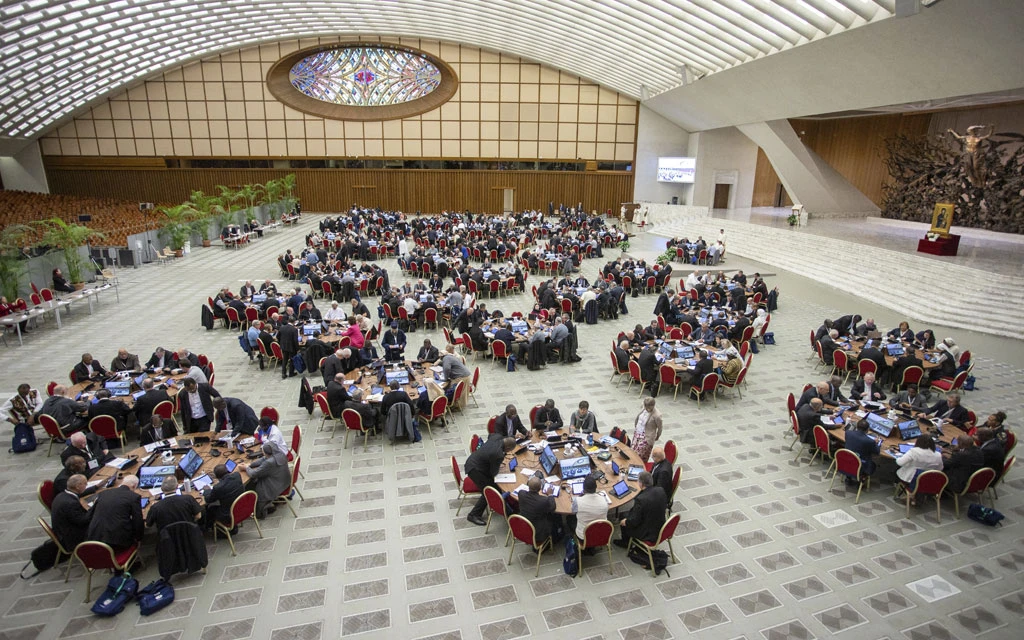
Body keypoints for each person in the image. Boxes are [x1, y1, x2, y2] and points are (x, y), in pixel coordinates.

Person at [464, 436, 517, 526]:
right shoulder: (498, 454)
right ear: (507, 448)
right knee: (490, 491)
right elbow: (493, 473)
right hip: (475, 470)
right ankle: (474, 515)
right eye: (509, 451)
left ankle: (505, 506)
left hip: (473, 461)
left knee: (494, 488)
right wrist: (498, 463)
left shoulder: (496, 438)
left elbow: (491, 435)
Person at [86, 475, 144, 551]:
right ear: (134, 486)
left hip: (94, 538)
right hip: (117, 542)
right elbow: (137, 520)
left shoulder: (103, 493)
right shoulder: (134, 497)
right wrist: (139, 538)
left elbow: (91, 513)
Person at [615, 471, 667, 548]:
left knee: (623, 516)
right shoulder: (661, 490)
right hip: (660, 525)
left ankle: (625, 542)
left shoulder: (641, 499)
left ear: (641, 484)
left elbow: (634, 521)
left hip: (647, 532)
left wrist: (625, 521)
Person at [241, 443, 291, 517]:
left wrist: (246, 468)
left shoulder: (269, 463)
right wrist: (250, 465)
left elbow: (253, 474)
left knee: (251, 484)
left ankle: (260, 511)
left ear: (267, 453)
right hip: (283, 482)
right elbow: (263, 459)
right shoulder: (280, 454)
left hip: (273, 487)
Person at [51, 474, 93, 552]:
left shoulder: (63, 494)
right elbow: (83, 520)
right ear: (77, 486)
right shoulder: (71, 503)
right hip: (72, 538)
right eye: (85, 484)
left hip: (64, 530)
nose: (86, 485)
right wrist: (93, 508)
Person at [895, 435, 943, 501]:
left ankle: (911, 495)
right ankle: (916, 496)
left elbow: (899, 462)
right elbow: (940, 469)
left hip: (910, 479)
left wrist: (898, 455)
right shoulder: (938, 455)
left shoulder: (914, 451)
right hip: (928, 482)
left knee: (898, 468)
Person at [202, 464, 246, 530]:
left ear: (217, 476)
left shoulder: (218, 487)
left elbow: (208, 499)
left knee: (210, 508)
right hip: (241, 507)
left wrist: (207, 490)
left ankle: (208, 527)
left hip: (227, 514)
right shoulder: (237, 475)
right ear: (227, 470)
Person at [571, 474, 609, 549]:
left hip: (583, 538)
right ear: (596, 487)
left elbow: (573, 511)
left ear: (583, 488)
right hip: (601, 536)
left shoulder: (578, 501)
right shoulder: (604, 500)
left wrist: (580, 496)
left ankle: (575, 545)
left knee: (570, 519)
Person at [517, 475, 560, 542]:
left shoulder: (521, 494)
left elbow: (525, 491)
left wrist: (531, 484)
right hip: (538, 531)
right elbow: (553, 507)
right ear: (540, 488)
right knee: (556, 516)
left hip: (524, 525)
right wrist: (550, 494)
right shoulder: (543, 501)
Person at [441, 345, 473, 409]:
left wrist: (446, 378)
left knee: (451, 387)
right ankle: (456, 404)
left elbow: (447, 368)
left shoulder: (446, 358)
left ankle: (455, 405)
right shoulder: (450, 357)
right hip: (465, 375)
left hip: (461, 377)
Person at [631, 397, 663, 462]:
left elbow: (660, 427)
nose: (646, 408)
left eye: (648, 407)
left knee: (639, 455)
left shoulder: (657, 415)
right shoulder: (644, 408)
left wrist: (657, 436)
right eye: (645, 406)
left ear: (653, 406)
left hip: (647, 437)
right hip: (638, 433)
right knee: (632, 451)